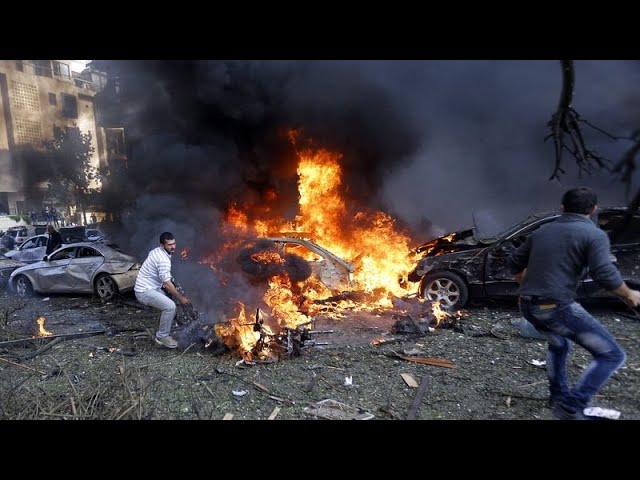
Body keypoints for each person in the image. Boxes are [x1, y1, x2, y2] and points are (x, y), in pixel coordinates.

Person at [508, 187, 640, 420]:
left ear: (562, 208)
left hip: (527, 305)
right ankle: (571, 407)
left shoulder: (542, 231)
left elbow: (514, 261)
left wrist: (526, 285)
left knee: (559, 344)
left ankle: (558, 397)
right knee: (611, 355)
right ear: (593, 209)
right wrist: (629, 294)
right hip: (555, 308)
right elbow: (604, 273)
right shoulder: (594, 234)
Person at [134, 232, 190, 349]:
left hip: (152, 287)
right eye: (169, 245)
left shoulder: (157, 251)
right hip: (144, 291)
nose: (173, 247)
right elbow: (167, 284)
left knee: (168, 302)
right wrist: (182, 298)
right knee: (170, 306)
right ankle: (162, 337)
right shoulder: (162, 259)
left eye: (174, 243)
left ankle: (165, 327)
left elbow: (164, 276)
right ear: (162, 245)